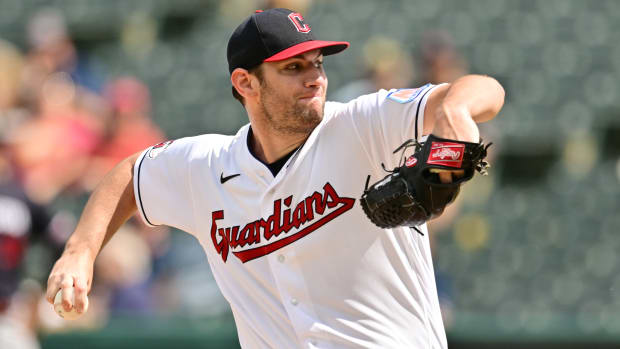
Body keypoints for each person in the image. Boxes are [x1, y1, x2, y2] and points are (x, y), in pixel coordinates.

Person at [46, 8, 505, 348]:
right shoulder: (206, 167)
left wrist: (453, 111)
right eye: (294, 68)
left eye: (318, 64)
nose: (315, 79)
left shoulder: (363, 125)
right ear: (246, 83)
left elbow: (484, 88)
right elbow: (130, 174)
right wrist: (79, 252)